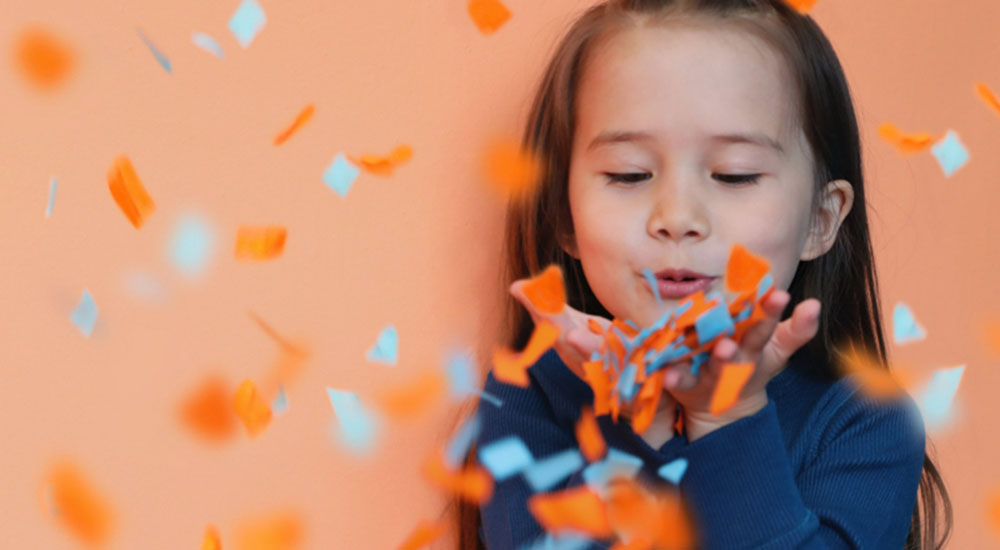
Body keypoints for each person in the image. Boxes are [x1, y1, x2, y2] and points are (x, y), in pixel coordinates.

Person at [453, 0, 953, 548]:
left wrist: (730, 420)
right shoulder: (529, 391)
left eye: (734, 176)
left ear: (820, 220)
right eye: (629, 174)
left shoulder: (866, 422)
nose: (677, 219)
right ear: (563, 218)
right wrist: (633, 427)